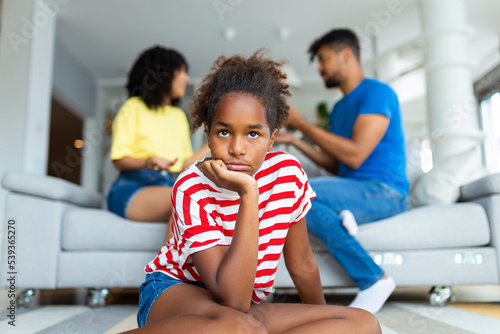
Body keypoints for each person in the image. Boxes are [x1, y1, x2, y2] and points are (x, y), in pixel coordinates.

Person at [123, 51, 381, 333]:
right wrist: (249, 193)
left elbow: (303, 264)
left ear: (272, 139)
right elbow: (231, 297)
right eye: (224, 132)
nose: (237, 147)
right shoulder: (191, 186)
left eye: (253, 134)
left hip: (243, 307)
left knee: (362, 323)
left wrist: (322, 320)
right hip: (175, 291)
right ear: (208, 134)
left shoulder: (288, 174)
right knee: (239, 326)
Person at [275, 28, 409, 314]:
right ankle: (341, 214)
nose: (320, 68)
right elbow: (338, 164)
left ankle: (374, 279)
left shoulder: (377, 93)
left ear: (346, 54)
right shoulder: (337, 109)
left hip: (386, 191)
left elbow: (356, 154)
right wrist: (297, 141)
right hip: (353, 188)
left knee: (298, 195)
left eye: (323, 60)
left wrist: (302, 124)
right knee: (297, 192)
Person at [107, 46, 210, 240]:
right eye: (182, 71)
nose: (186, 79)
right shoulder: (133, 108)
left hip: (171, 184)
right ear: (163, 72)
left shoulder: (179, 116)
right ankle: (167, 270)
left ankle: (174, 268)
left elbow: (185, 164)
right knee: (185, 198)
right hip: (134, 186)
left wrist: (217, 138)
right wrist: (148, 161)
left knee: (193, 197)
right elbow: (119, 159)